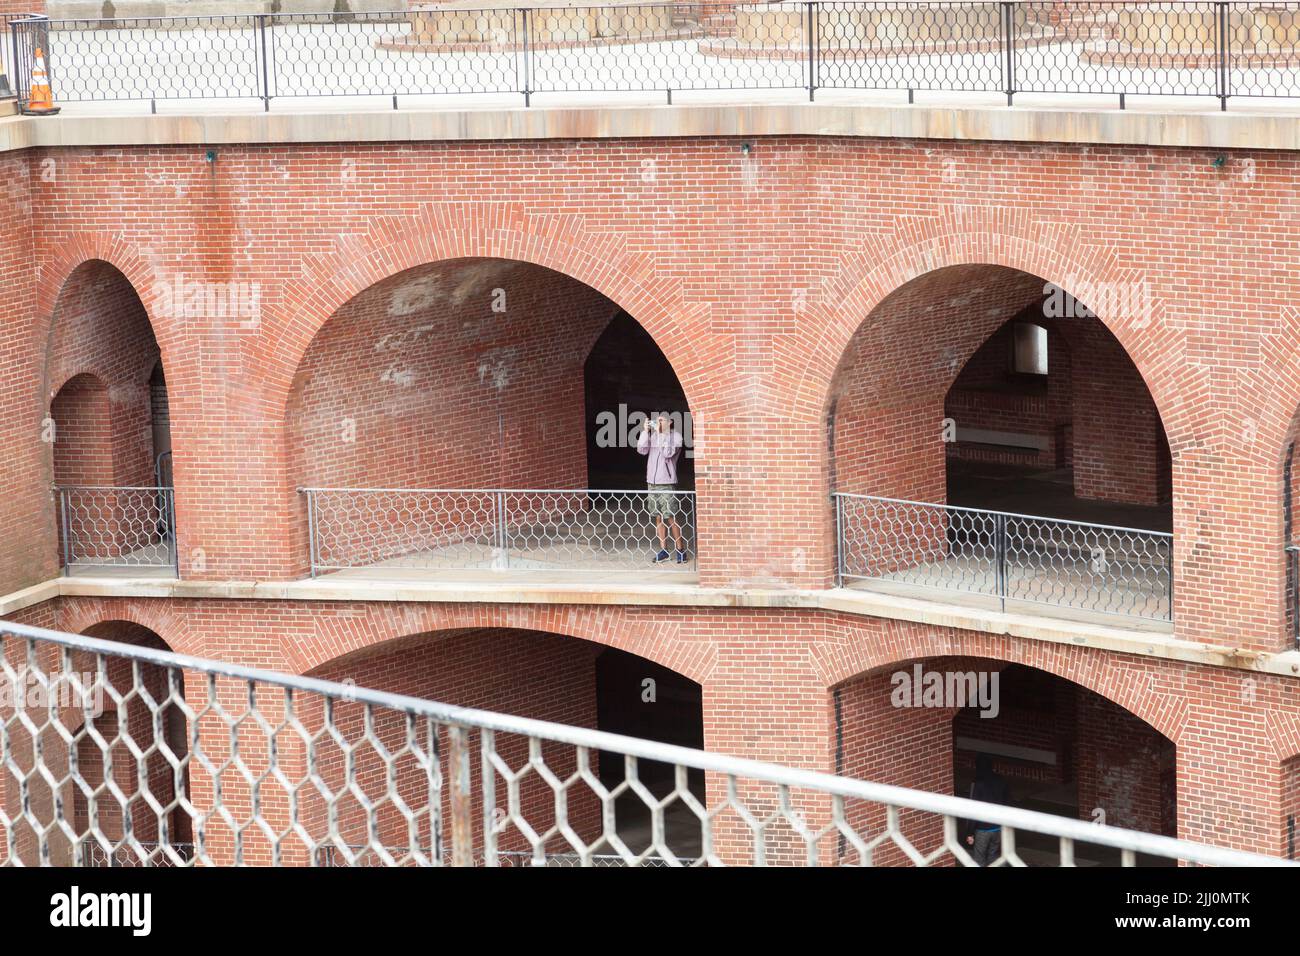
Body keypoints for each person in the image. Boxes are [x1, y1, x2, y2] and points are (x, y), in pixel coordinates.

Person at [637, 412, 686, 564]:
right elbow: (641, 450)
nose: (658, 423)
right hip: (652, 482)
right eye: (656, 420)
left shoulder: (676, 437)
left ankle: (680, 550)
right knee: (658, 517)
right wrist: (645, 431)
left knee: (670, 516)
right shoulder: (653, 436)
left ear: (670, 422)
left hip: (666, 482)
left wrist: (661, 434)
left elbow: (667, 453)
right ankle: (664, 550)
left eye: (662, 420)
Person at [963, 754, 1010, 866]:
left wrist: (970, 832)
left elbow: (973, 808)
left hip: (982, 828)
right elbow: (1007, 802)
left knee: (979, 859)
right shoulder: (1001, 780)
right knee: (994, 856)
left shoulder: (978, 783)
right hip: (998, 826)